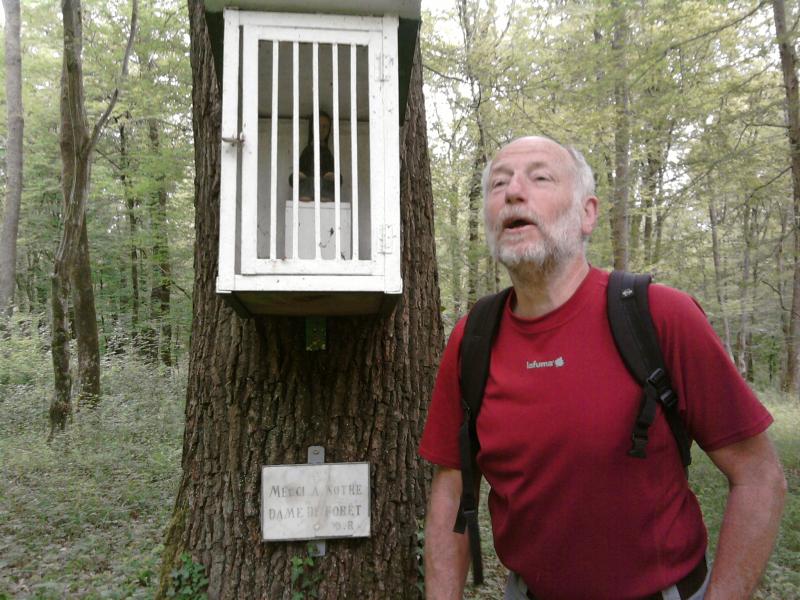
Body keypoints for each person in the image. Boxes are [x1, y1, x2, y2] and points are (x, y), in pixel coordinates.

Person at [419, 136, 787, 600]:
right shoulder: (472, 339)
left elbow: (759, 476)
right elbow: (451, 490)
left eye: (539, 177)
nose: (512, 192)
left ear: (587, 213)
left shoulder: (660, 316)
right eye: (498, 183)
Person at [291, 110, 337, 202]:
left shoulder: (327, 153)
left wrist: (332, 176)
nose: (322, 129)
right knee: (295, 179)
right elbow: (299, 172)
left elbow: (334, 174)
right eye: (319, 126)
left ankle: (324, 195)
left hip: (324, 184)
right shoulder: (307, 150)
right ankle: (307, 194)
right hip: (308, 183)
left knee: (335, 180)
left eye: (325, 127)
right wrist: (299, 175)